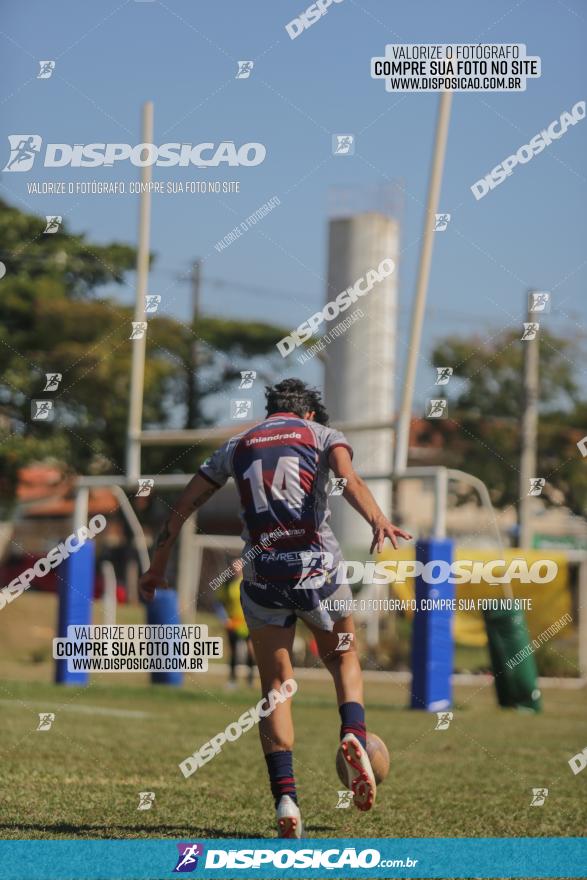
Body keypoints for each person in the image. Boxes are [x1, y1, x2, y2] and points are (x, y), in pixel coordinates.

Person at [139, 378, 411, 838]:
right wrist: (378, 519)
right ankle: (352, 731)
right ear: (309, 414)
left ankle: (286, 797)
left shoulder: (237, 444)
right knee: (343, 657)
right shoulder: (322, 436)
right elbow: (349, 479)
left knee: (276, 688)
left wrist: (156, 565)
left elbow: (183, 506)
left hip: (263, 576)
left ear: (271, 412)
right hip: (317, 573)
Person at [213, 558, 255, 687]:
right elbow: (218, 603)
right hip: (233, 623)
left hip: (249, 623)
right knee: (234, 652)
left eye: (239, 566)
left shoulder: (250, 583)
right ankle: (232, 680)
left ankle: (250, 680)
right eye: (234, 567)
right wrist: (224, 618)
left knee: (251, 651)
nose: (236, 569)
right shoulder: (227, 584)